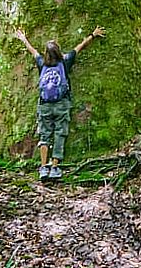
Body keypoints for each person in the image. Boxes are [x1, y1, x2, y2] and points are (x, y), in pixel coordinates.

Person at [15, 26, 106, 181]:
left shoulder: (41, 63)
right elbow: (80, 47)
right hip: (61, 104)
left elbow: (32, 51)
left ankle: (43, 168)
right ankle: (55, 167)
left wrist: (23, 39)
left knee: (45, 134)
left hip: (44, 105)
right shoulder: (65, 62)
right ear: (58, 52)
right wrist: (93, 34)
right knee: (59, 134)